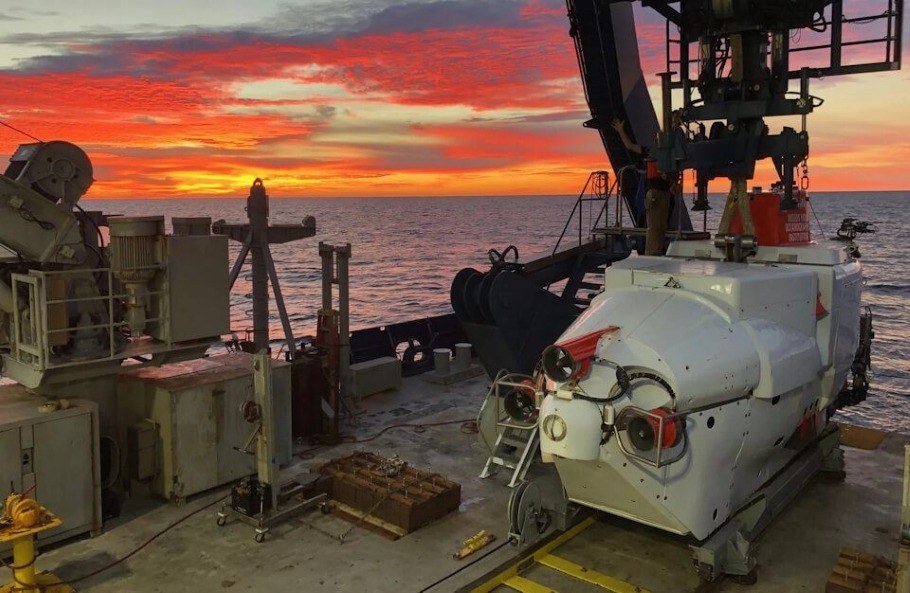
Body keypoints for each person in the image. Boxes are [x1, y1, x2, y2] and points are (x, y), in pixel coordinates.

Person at [611, 114, 682, 256]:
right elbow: (630, 146)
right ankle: (652, 256)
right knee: (655, 228)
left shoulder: (672, 154)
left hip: (666, 195)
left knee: (662, 228)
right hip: (655, 195)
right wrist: (620, 131)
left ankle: (657, 254)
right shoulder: (652, 151)